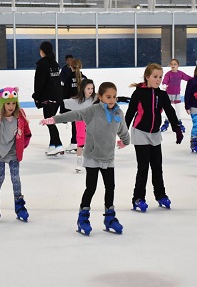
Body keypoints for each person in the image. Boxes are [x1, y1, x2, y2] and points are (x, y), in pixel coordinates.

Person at [40, 82, 130, 236]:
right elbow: (76, 114)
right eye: (108, 97)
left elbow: (123, 129)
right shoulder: (93, 111)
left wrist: (125, 141)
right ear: (100, 97)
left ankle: (110, 217)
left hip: (108, 157)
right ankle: (83, 218)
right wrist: (54, 119)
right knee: (91, 187)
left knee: (110, 187)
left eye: (114, 97)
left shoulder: (118, 113)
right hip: (92, 156)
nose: (112, 100)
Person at [125, 63, 184, 213]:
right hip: (140, 133)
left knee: (157, 167)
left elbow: (170, 111)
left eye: (160, 77)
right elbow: (130, 113)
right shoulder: (138, 93)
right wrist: (122, 132)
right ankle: (138, 198)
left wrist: (176, 128)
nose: (158, 80)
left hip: (155, 134)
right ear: (147, 77)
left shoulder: (162, 95)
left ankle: (161, 195)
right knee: (143, 167)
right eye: (155, 77)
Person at [0, 87, 32, 223]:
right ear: (2, 103)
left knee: (15, 178)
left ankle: (20, 206)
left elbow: (27, 132)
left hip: (13, 151)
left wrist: (25, 142)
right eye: (8, 103)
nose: (11, 106)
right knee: (0, 177)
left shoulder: (19, 116)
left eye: (13, 103)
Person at [32, 41, 63, 156]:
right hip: (57, 97)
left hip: (48, 98)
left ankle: (58, 145)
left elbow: (39, 83)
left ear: (42, 51)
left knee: (49, 121)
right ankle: (52, 145)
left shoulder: (42, 65)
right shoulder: (54, 64)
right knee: (51, 120)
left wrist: (36, 96)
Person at [62, 78, 96, 172]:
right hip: (80, 122)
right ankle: (79, 161)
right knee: (80, 141)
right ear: (83, 89)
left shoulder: (96, 98)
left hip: (92, 122)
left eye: (92, 88)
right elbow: (63, 102)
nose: (90, 91)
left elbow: (107, 100)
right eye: (88, 88)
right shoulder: (76, 101)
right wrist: (52, 102)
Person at [160, 58, 192, 132]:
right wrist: (164, 84)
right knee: (169, 110)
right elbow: (165, 80)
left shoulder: (180, 73)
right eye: (171, 64)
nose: (173, 65)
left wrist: (195, 79)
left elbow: (188, 78)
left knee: (178, 110)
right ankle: (166, 123)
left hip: (177, 94)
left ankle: (179, 123)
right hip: (168, 95)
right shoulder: (168, 74)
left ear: (178, 65)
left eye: (175, 64)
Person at [62, 58, 87, 153]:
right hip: (85, 104)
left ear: (71, 67)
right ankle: (81, 142)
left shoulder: (68, 79)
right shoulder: (85, 78)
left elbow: (65, 94)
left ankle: (74, 142)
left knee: (75, 123)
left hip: (74, 105)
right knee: (83, 124)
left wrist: (64, 109)